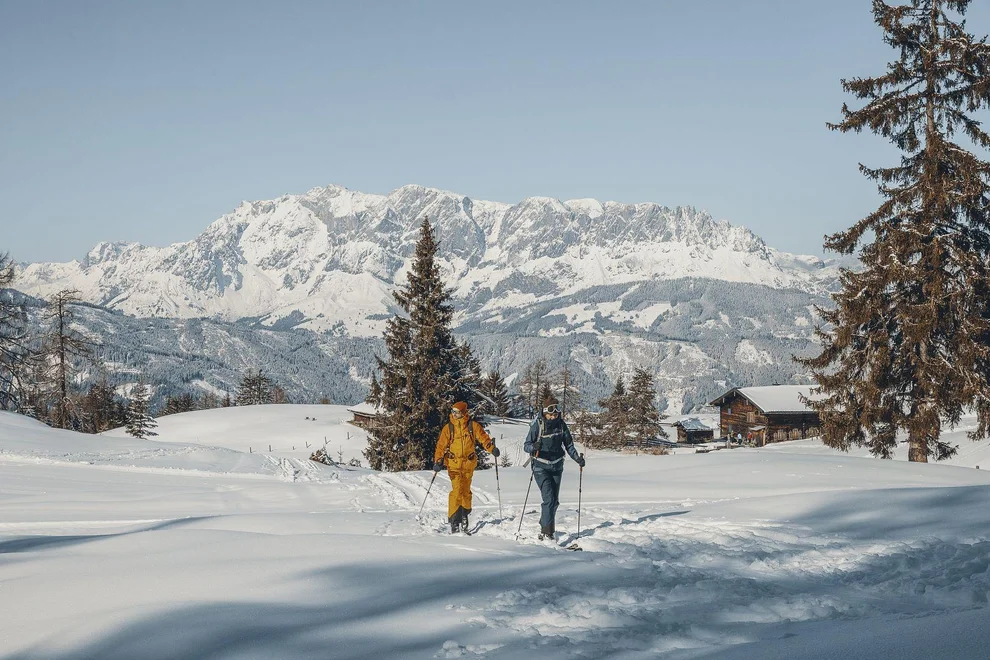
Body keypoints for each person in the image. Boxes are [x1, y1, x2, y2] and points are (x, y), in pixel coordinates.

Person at [523, 395, 585, 540]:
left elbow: (569, 445)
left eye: (556, 412)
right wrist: (534, 447)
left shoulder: (561, 425)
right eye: (551, 413)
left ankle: (545, 522)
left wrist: (577, 458)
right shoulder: (538, 425)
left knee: (554, 501)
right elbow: (526, 445)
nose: (554, 415)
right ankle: (547, 533)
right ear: (545, 412)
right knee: (549, 499)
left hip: (557, 466)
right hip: (540, 466)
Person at [433, 401, 499, 534]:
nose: (454, 414)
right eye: (453, 412)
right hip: (454, 464)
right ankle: (454, 521)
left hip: (468, 464)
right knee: (457, 491)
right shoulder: (449, 428)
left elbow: (483, 438)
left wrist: (492, 448)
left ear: (463, 413)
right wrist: (438, 460)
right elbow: (441, 446)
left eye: (457, 412)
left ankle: (464, 515)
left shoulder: (472, 426)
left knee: (466, 491)